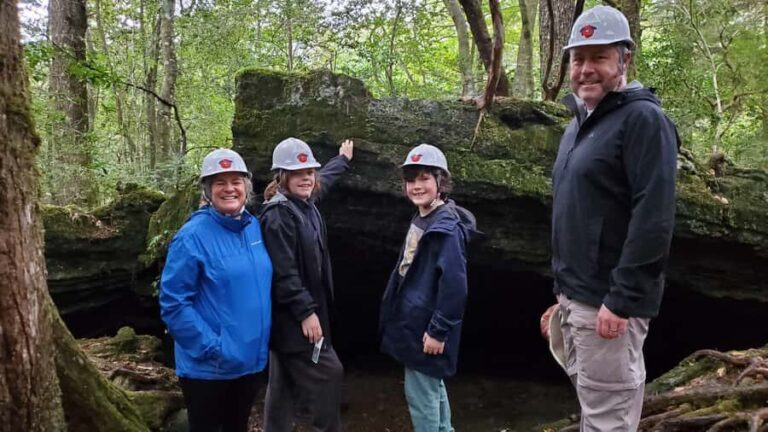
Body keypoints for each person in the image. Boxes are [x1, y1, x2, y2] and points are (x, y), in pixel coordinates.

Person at [546, 5, 679, 431]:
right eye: (578, 58)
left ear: (624, 60)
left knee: (609, 420)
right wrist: (563, 295)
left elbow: (654, 217)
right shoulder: (579, 125)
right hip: (577, 299)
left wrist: (621, 300)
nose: (586, 69)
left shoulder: (642, 119)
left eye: (599, 57)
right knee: (595, 408)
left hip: (609, 304)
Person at [159, 148, 272, 432]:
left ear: (246, 187)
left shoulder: (253, 228)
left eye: (236, 181)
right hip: (209, 369)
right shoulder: (191, 237)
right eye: (220, 182)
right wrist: (214, 348)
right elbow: (173, 305)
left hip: (250, 362)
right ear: (208, 191)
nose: (229, 188)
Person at [379, 144, 478, 432]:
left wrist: (438, 330)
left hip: (425, 330)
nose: (416, 186)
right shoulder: (425, 217)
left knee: (422, 400)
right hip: (414, 324)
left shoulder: (446, 228)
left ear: (440, 182)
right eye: (411, 180)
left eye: (424, 178)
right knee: (433, 389)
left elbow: (455, 287)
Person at [259, 137, 354, 432]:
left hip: (298, 317)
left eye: (309, 172)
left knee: (282, 386)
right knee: (330, 372)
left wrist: (342, 160)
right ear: (283, 177)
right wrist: (306, 312)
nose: (307, 178)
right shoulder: (278, 215)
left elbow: (324, 180)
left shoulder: (304, 202)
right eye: (298, 173)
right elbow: (282, 272)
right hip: (293, 318)